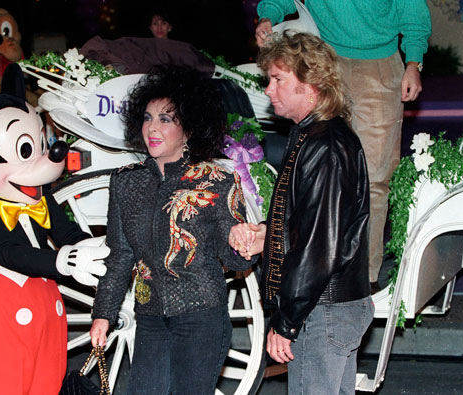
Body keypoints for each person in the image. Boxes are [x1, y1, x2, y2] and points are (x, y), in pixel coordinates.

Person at [89, 64, 254, 394]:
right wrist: (103, 314)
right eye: (148, 117)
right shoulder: (126, 182)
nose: (153, 127)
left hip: (201, 319)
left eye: (166, 118)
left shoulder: (217, 182)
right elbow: (120, 256)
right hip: (150, 318)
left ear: (189, 128)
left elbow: (237, 263)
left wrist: (243, 242)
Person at [230, 32, 373, 394]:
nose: (267, 89)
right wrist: (268, 233)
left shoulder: (323, 144)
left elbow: (318, 246)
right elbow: (309, 222)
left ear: (311, 83)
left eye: (277, 79)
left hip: (320, 310)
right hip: (329, 307)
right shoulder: (317, 136)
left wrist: (288, 321)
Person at [255, 0, 431, 292]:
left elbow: (413, 11)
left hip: (379, 65)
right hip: (322, 63)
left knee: (374, 178)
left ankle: (366, 276)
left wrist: (413, 62)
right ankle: (315, 274)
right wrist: (266, 17)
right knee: (317, 171)